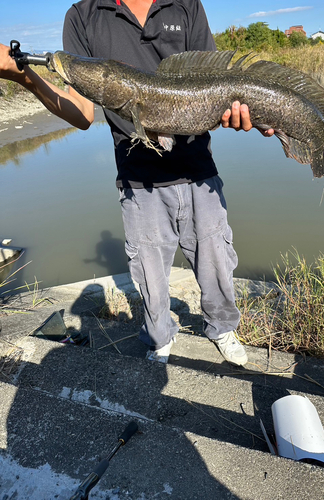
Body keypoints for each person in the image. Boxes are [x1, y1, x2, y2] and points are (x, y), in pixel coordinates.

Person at [0, 0, 273, 366]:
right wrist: (24, 76)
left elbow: (216, 80)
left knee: (216, 263)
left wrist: (246, 113)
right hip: (137, 178)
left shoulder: (186, 5)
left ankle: (222, 327)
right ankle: (160, 338)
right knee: (150, 275)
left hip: (198, 169)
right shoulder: (82, 16)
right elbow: (82, 114)